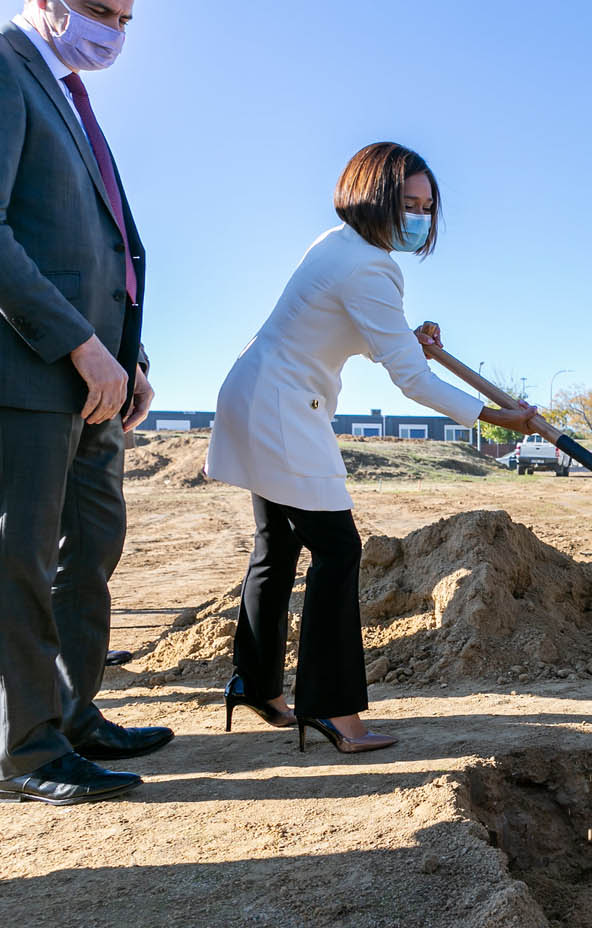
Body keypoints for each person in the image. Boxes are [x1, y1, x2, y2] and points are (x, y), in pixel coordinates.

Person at [205, 142, 537, 753]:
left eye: (426, 206)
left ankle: (255, 685)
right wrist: (494, 416)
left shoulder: (337, 246)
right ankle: (333, 710)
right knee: (337, 550)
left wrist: (407, 338)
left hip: (256, 393)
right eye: (408, 203)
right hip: (282, 411)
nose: (418, 217)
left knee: (276, 546)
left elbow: (348, 328)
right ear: (374, 195)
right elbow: (409, 377)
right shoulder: (371, 267)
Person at [0, 0, 171, 807]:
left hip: (98, 376)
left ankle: (72, 713)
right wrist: (76, 341)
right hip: (29, 370)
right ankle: (25, 749)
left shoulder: (66, 90)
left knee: (88, 550)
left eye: (127, 18)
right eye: (100, 10)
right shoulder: (2, 65)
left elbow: (93, 244)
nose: (115, 32)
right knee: (19, 559)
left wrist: (128, 357)